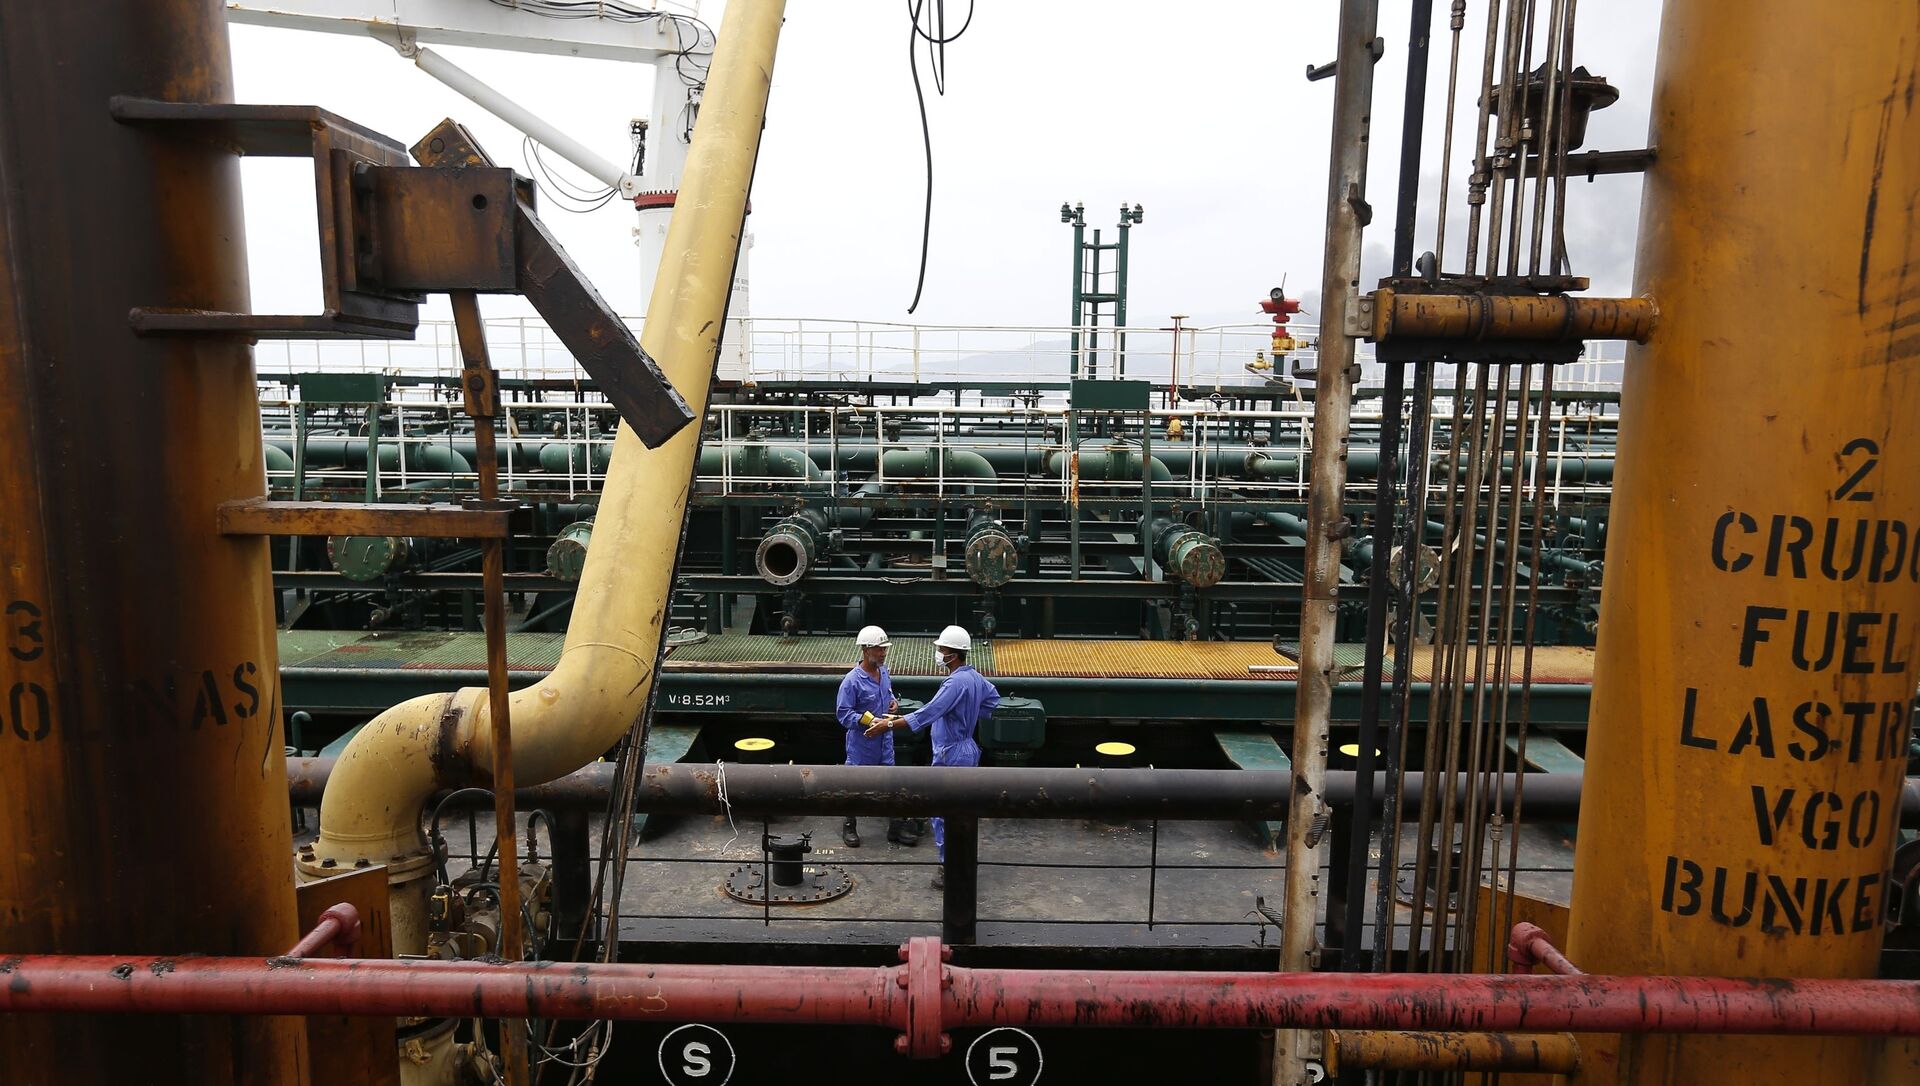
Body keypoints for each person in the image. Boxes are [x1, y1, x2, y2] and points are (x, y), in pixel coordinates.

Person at [865, 624, 998, 888]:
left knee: (943, 812)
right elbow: (992, 699)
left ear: (953, 655)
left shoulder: (954, 683)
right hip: (967, 748)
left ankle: (949, 870)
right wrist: (967, 713)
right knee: (963, 812)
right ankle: (963, 862)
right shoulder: (974, 677)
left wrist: (888, 724)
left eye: (941, 650)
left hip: (952, 754)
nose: (938, 654)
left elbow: (928, 713)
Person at [834, 625, 918, 848]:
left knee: (890, 783)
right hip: (863, 744)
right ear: (866, 650)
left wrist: (893, 703)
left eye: (884, 649)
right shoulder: (852, 681)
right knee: (855, 784)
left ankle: (895, 827)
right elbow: (844, 714)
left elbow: (888, 694)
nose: (883, 653)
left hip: (885, 742)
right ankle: (849, 825)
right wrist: (868, 721)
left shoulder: (884, 672)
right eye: (879, 649)